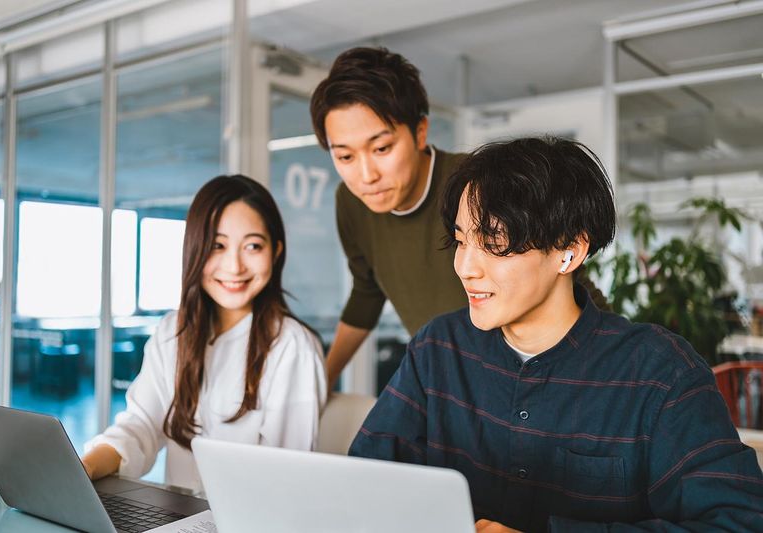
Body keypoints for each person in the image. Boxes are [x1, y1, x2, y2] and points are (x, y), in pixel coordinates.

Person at [349, 138, 763, 532]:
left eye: (493, 242)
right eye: (461, 241)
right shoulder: (437, 349)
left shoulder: (660, 371)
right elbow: (363, 482)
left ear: (569, 251)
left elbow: (738, 521)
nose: (465, 267)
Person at [310, 47, 608, 391]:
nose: (366, 175)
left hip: (535, 372)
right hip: (450, 382)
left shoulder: (475, 187)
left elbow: (566, 277)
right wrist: (323, 381)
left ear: (420, 131)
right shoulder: (350, 203)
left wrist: (609, 368)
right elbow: (366, 293)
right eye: (345, 156)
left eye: (381, 149)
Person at [82, 175, 326, 492]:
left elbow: (286, 479)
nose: (234, 266)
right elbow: (141, 424)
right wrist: (86, 466)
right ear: (195, 248)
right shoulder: (174, 330)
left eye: (253, 246)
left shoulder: (292, 346)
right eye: (217, 246)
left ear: (276, 252)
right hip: (178, 521)